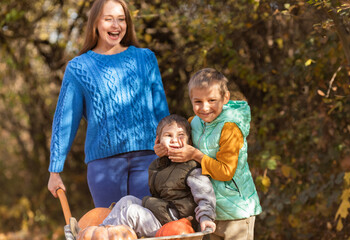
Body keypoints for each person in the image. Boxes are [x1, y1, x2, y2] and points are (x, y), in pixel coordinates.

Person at [47, 0, 169, 208]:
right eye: (108, 19)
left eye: (121, 19)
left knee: (150, 232)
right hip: (104, 167)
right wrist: (54, 170)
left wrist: (171, 152)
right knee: (110, 233)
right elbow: (65, 121)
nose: (116, 25)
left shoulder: (145, 58)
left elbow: (162, 112)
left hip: (148, 161)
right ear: (95, 22)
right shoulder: (79, 68)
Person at [155, 68, 262, 240]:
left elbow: (226, 171)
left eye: (212, 100)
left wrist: (196, 155)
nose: (205, 107)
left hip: (236, 213)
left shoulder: (230, 128)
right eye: (198, 101)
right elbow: (182, 153)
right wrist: (164, 150)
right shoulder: (193, 123)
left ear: (225, 98)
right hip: (208, 213)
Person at [99, 114, 216, 238]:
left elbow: (205, 195)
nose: (174, 140)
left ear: (189, 141)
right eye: (168, 135)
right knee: (127, 200)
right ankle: (99, 231)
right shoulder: (157, 166)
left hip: (175, 226)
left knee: (131, 212)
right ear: (158, 140)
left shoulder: (191, 167)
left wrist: (206, 217)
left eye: (181, 136)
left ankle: (108, 237)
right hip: (160, 215)